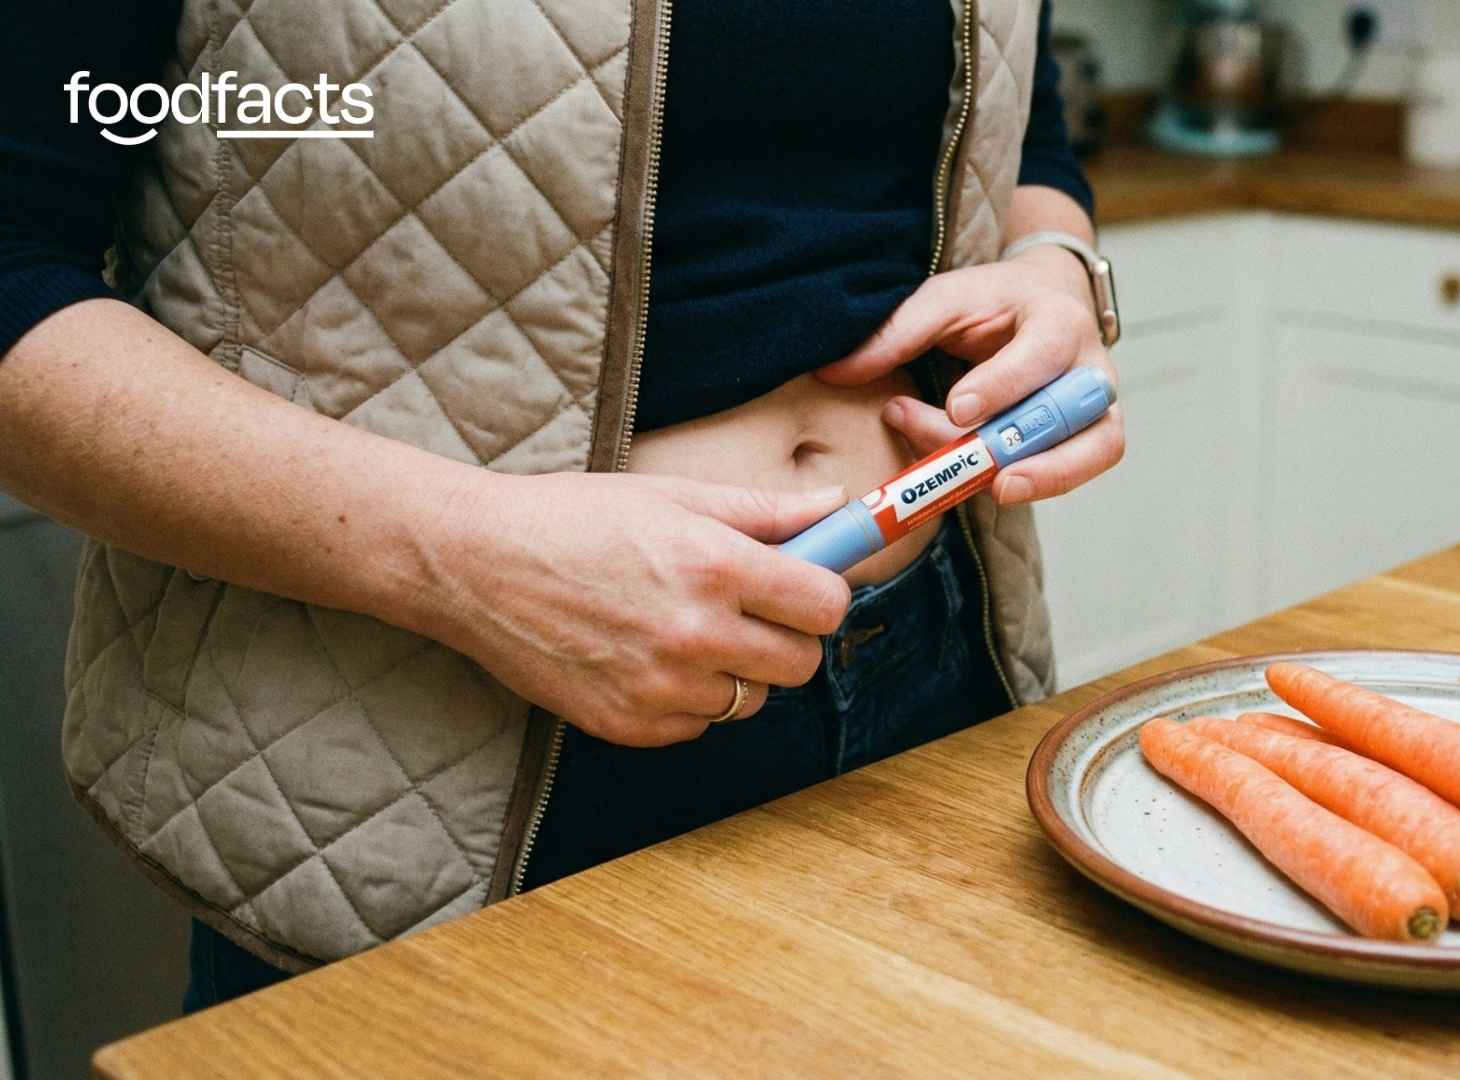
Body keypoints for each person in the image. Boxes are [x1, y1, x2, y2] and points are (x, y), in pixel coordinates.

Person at [0, 1, 1121, 1009]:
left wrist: (1056, 263)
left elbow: (1029, 138)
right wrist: (458, 557)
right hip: (424, 753)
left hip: (929, 679)